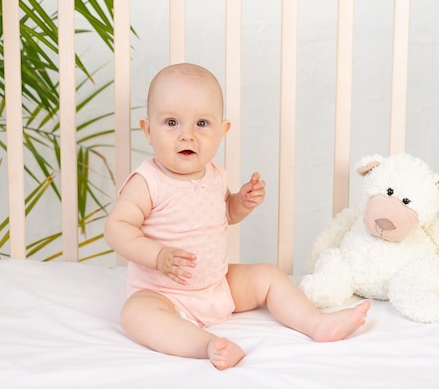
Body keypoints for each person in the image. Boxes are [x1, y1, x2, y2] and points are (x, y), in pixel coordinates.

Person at [104, 63, 370, 370]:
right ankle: (207, 346)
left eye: (202, 123)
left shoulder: (215, 174)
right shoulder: (147, 182)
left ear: (222, 130)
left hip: (217, 285)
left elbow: (225, 214)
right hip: (163, 292)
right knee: (136, 315)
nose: (187, 135)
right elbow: (117, 228)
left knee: (268, 275)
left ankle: (316, 324)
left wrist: (240, 202)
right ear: (148, 130)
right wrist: (158, 255)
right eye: (172, 122)